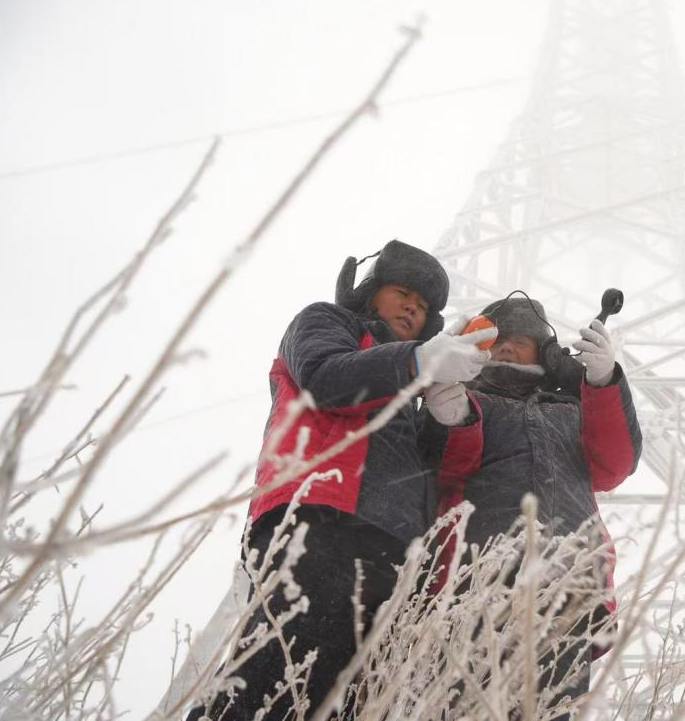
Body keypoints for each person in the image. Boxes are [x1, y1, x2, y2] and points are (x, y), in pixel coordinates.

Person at [191, 240, 494, 721]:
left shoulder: (409, 383)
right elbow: (326, 377)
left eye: (424, 305)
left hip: (394, 552)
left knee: (346, 702)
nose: (413, 306)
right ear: (372, 293)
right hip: (319, 519)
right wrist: (417, 362)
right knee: (273, 679)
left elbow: (433, 472)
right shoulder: (327, 322)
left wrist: (450, 416)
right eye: (402, 292)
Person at [423, 295, 642, 716]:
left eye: (519, 340)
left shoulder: (572, 409)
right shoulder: (462, 399)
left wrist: (605, 382)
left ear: (543, 352)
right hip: (478, 581)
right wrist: (453, 419)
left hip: (569, 585)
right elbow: (442, 470)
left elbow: (615, 465)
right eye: (497, 338)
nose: (505, 346)